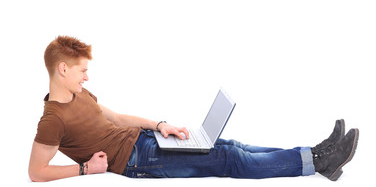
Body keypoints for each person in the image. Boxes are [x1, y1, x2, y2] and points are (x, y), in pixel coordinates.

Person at [28, 36, 359, 182]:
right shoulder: (52, 120)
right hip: (138, 161)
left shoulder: (81, 95)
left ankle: (313, 154)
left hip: (146, 141)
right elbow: (36, 172)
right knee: (229, 159)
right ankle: (318, 161)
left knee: (232, 146)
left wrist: (160, 125)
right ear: (62, 70)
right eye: (82, 69)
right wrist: (86, 170)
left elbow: (115, 117)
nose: (87, 75)